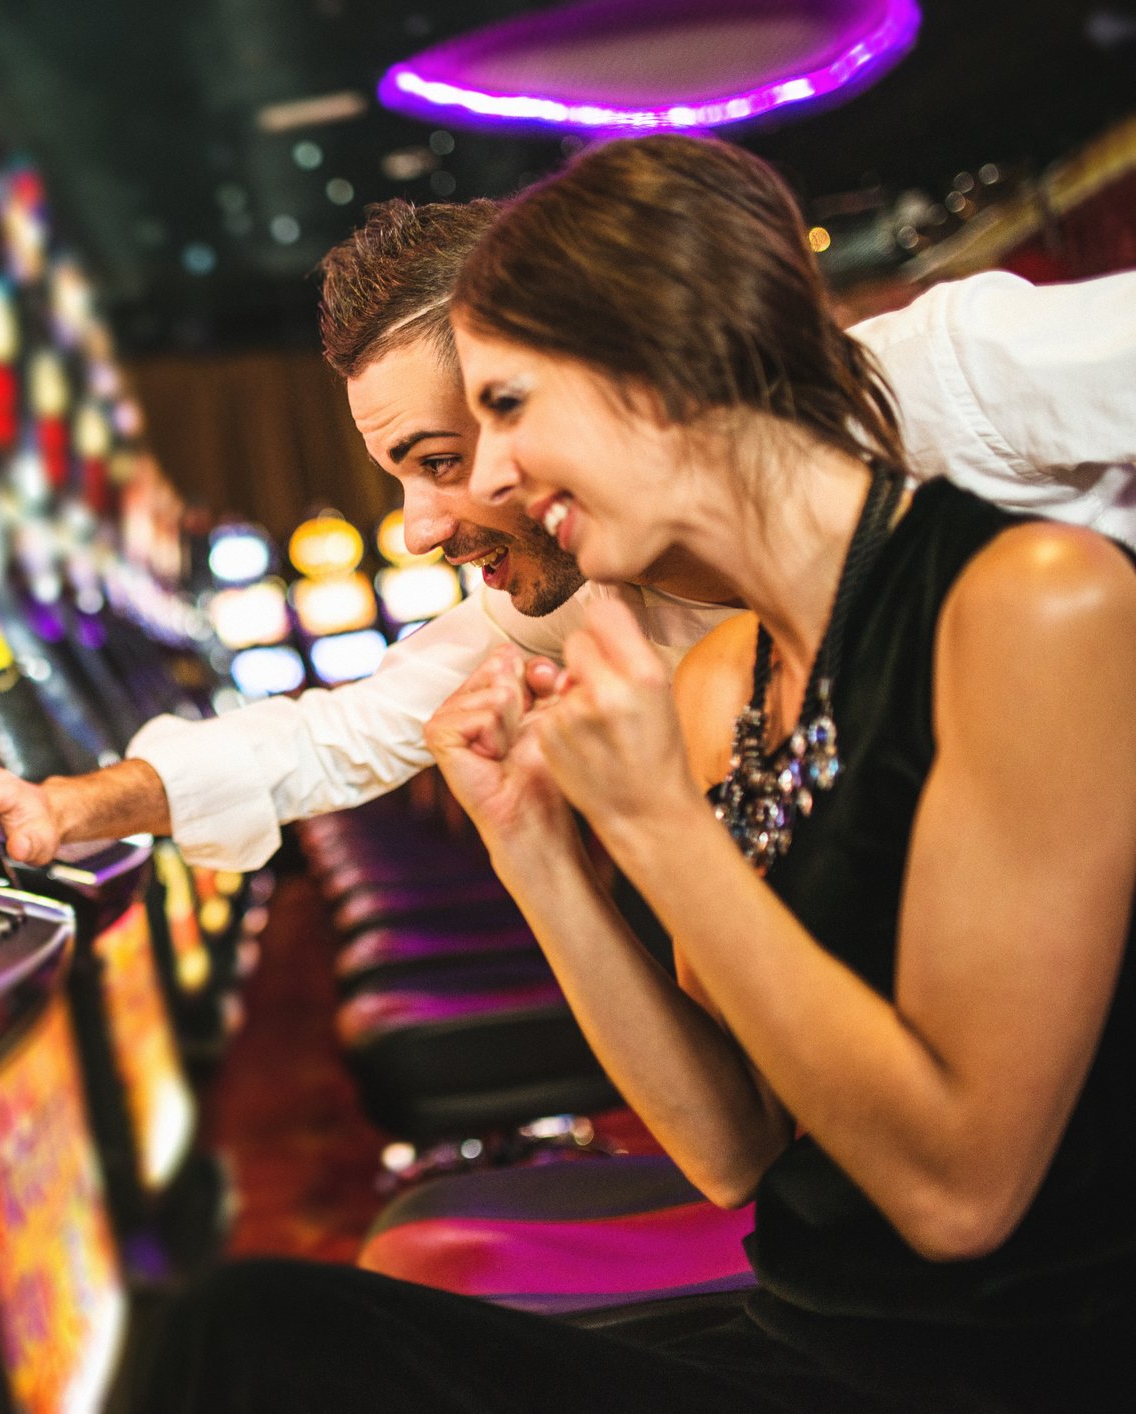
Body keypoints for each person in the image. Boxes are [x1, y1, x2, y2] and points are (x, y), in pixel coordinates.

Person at [138, 134, 1136, 1413]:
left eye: (504, 412)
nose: (480, 485)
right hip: (801, 1334)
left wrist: (658, 823)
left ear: (659, 373)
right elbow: (731, 1150)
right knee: (248, 1328)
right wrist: (537, 848)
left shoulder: (1034, 600)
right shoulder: (722, 680)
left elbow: (955, 1196)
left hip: (1006, 1365)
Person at [0, 206, 1136, 876]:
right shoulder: (568, 596)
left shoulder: (941, 377)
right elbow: (333, 737)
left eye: (457, 449)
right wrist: (62, 806)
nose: (431, 519)